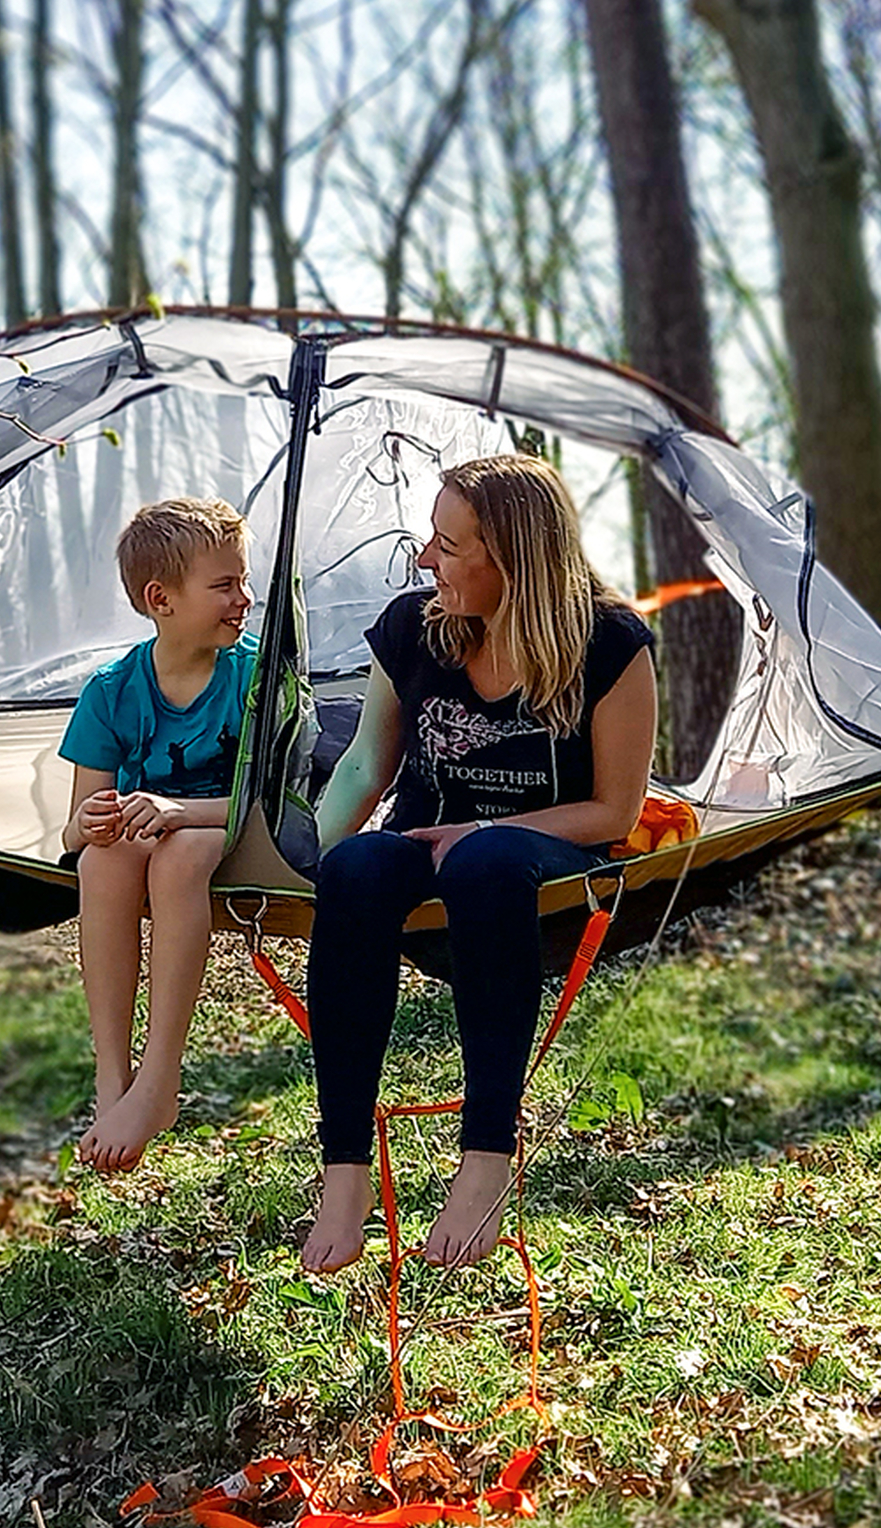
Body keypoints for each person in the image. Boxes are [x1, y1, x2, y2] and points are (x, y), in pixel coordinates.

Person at [301, 453, 657, 1274]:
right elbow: (363, 767)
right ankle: (345, 1171)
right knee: (354, 870)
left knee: (487, 858)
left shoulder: (610, 643)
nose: (428, 558)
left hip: (547, 865)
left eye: (449, 544)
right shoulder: (414, 628)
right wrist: (304, 862)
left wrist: (484, 828)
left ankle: (486, 1157)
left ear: (514, 557)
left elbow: (616, 812)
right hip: (425, 847)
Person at [59, 498, 256, 1173]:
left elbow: (275, 806)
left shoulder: (257, 676)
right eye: (224, 585)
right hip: (157, 836)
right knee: (103, 862)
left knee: (179, 856)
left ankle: (159, 1077)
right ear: (160, 599)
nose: (245, 599)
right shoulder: (112, 690)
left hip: (233, 833)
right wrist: (89, 824)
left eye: (244, 580)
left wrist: (180, 812)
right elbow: (78, 822)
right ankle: (112, 1076)